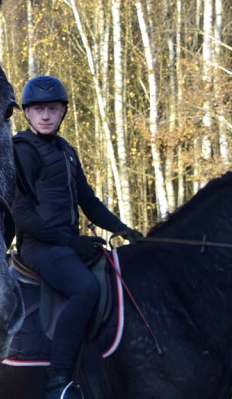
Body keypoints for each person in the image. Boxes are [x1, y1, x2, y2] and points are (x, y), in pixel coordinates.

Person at [11, 75, 141, 399]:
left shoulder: (66, 151)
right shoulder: (23, 150)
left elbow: (89, 202)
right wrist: (70, 242)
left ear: (63, 112)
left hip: (65, 243)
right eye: (38, 109)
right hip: (40, 247)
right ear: (26, 113)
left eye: (53, 109)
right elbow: (21, 215)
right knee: (85, 288)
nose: (45, 116)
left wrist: (122, 229)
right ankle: (59, 383)